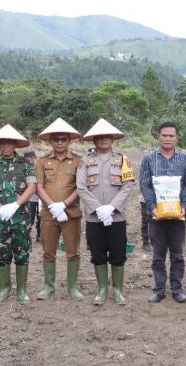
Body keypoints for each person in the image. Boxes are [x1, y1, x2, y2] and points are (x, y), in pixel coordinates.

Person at [76, 119, 135, 305]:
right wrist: (98, 208)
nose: (103, 140)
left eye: (107, 137)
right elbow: (81, 187)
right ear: (94, 140)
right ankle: (102, 289)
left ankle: (117, 290)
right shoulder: (84, 161)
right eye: (99, 137)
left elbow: (127, 185)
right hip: (94, 218)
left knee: (118, 253)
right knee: (98, 253)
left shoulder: (123, 160)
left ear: (112, 139)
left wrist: (111, 207)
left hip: (116, 216)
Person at [0, 124, 37, 305]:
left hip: (21, 217)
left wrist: (16, 204)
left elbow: (32, 187)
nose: (5, 147)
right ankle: (4, 290)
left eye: (9, 143)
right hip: (0, 218)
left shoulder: (26, 164)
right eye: (2, 144)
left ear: (15, 145)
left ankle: (21, 291)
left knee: (22, 252)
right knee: (2, 253)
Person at [139, 122, 186, 303]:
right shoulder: (148, 159)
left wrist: (184, 206)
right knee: (158, 255)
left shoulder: (185, 160)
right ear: (158, 137)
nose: (168, 138)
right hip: (156, 216)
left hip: (178, 216)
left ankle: (177, 288)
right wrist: (152, 207)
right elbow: (145, 185)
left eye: (172, 136)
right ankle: (159, 289)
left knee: (178, 254)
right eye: (165, 135)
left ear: (177, 138)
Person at [34, 118, 84, 301]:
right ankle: (49, 286)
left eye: (63, 139)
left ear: (69, 140)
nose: (60, 142)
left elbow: (81, 187)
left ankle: (72, 287)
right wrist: (53, 206)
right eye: (56, 139)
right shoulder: (42, 161)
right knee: (48, 250)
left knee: (73, 250)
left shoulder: (79, 161)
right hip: (48, 214)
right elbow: (39, 186)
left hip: (71, 213)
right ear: (51, 141)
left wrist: (63, 205)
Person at [24, 150, 42, 243]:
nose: (30, 160)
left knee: (41, 217)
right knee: (29, 218)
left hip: (40, 198)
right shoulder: (25, 169)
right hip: (30, 198)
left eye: (31, 158)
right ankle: (27, 235)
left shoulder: (39, 168)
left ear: (34, 158)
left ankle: (40, 235)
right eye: (27, 159)